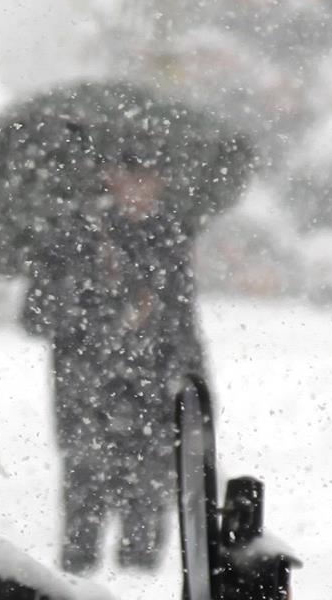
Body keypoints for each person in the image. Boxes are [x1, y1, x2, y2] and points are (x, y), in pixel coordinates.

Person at [24, 162, 205, 573]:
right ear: (109, 177)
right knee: (83, 516)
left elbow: (182, 319)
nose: (141, 188)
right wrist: (103, 309)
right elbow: (36, 315)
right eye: (132, 176)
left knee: (145, 516)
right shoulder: (72, 236)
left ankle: (138, 599)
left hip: (153, 393)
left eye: (151, 177)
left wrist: (196, 386)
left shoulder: (169, 237)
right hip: (85, 392)